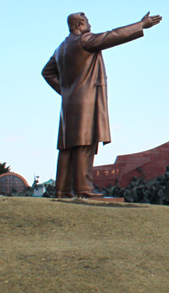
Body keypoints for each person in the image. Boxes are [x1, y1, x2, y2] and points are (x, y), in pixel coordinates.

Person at [42, 11, 162, 198]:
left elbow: (47, 72)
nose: (90, 24)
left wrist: (65, 91)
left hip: (68, 103)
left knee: (67, 146)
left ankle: (62, 190)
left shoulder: (60, 49)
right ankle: (83, 188)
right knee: (85, 142)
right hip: (86, 100)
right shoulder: (84, 40)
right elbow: (112, 36)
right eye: (87, 22)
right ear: (79, 25)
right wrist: (140, 25)